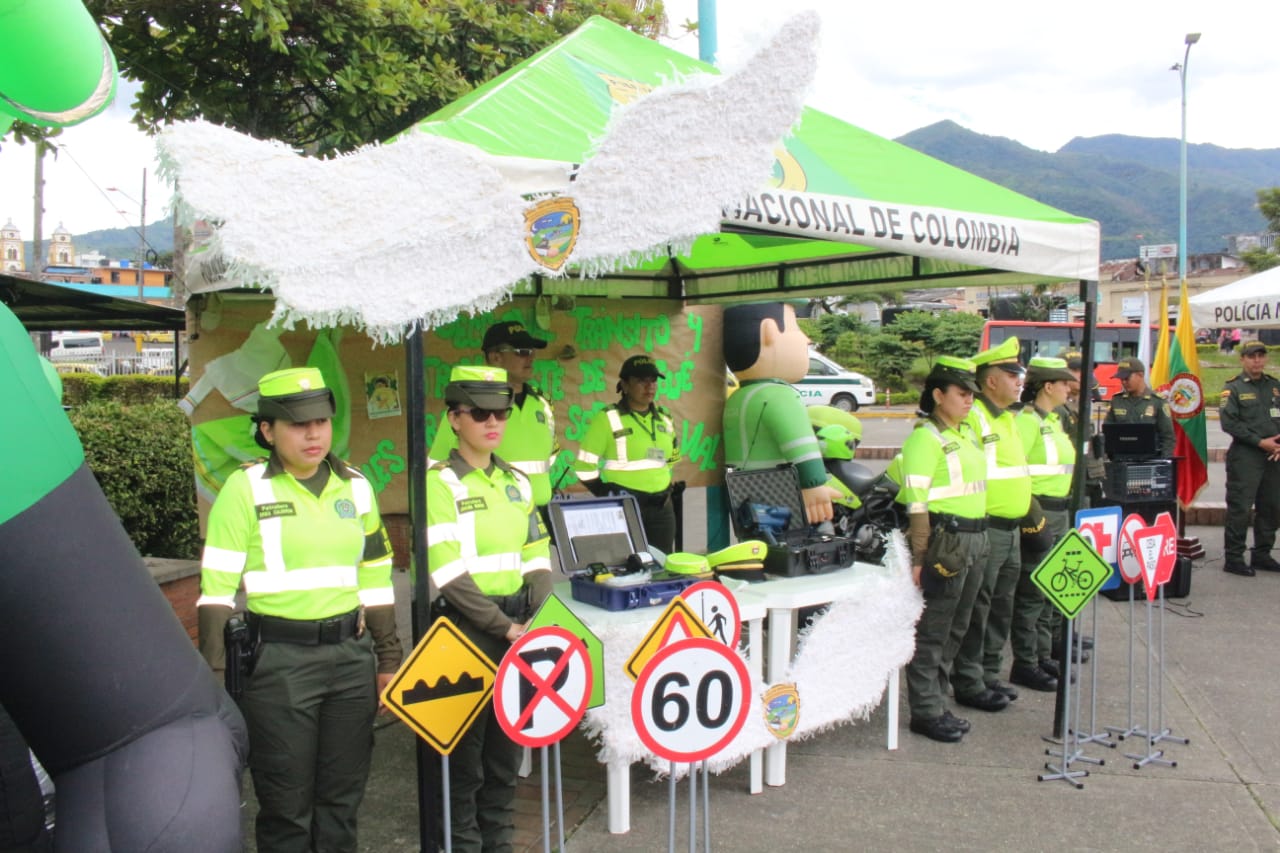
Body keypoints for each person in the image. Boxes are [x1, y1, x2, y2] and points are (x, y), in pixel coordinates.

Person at [198, 366, 402, 853]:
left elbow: (376, 577)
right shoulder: (245, 489)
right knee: (286, 808)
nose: (314, 434)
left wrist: (389, 658)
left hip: (351, 661)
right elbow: (217, 590)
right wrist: (215, 676)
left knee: (342, 801)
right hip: (279, 665)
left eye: (321, 421)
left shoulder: (356, 486)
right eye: (298, 424)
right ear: (268, 431)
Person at [428, 365, 553, 852]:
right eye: (480, 414)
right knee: (462, 760)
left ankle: (499, 844)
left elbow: (535, 552)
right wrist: (504, 627)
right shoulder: (438, 483)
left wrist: (539, 609)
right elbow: (447, 571)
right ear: (454, 419)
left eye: (500, 413)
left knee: (504, 757)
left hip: (516, 629)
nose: (493, 422)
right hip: (466, 630)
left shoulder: (516, 481)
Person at [897, 357, 988, 743]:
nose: (969, 401)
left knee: (957, 626)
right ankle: (926, 711)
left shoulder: (966, 433)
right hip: (947, 541)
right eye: (962, 393)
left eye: (972, 395)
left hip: (976, 538)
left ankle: (938, 699)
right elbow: (916, 503)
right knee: (933, 630)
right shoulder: (925, 438)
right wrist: (920, 556)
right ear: (938, 395)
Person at [950, 337, 1031, 709]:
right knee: (978, 608)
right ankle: (969, 680)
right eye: (1012, 375)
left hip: (1011, 529)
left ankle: (989, 673)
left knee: (1001, 606)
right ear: (991, 380)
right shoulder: (976, 417)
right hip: (987, 528)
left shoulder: (1007, 417)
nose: (1019, 381)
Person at [722, 302, 839, 525]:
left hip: (741, 491)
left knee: (759, 541)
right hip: (778, 489)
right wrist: (814, 484)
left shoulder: (737, 397)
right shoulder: (779, 395)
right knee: (790, 540)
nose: (806, 339)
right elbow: (801, 445)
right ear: (770, 332)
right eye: (795, 327)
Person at [430, 321, 559, 508]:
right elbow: (436, 466)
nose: (530, 357)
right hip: (492, 513)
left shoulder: (543, 402)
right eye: (522, 351)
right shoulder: (470, 408)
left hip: (540, 511)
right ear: (495, 357)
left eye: (532, 351)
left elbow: (552, 453)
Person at [1011, 357, 1078, 688]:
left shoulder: (1051, 420)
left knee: (1050, 587)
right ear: (1048, 387)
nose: (1070, 388)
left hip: (1059, 511)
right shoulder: (1027, 422)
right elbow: (1016, 471)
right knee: (1032, 591)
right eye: (1064, 383)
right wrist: (1032, 518)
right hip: (1039, 511)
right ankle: (1026, 662)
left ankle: (1041, 654)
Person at [574, 355, 682, 552]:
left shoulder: (665, 419)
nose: (649, 386)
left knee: (662, 563)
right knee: (625, 564)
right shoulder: (606, 418)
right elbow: (583, 466)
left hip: (662, 509)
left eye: (653, 380)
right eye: (641, 380)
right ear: (624, 385)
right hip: (623, 508)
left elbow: (670, 459)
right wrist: (605, 493)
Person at [1219, 340, 1280, 577]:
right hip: (1246, 456)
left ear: (1266, 358)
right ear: (1242, 359)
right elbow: (1229, 423)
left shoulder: (1274, 386)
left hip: (1273, 455)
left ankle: (1262, 554)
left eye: (1260, 356)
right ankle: (1234, 557)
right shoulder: (1233, 388)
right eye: (1251, 356)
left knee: (1272, 506)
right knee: (1240, 508)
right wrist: (1260, 442)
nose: (1257, 360)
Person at [1104, 357, 1174, 457]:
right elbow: (1108, 433)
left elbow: (1168, 436)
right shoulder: (1117, 401)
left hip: (1149, 460)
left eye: (1127, 378)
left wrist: (1163, 461)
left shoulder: (1157, 401)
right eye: (1121, 379)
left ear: (1140, 375)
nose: (1123, 382)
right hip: (1122, 460)